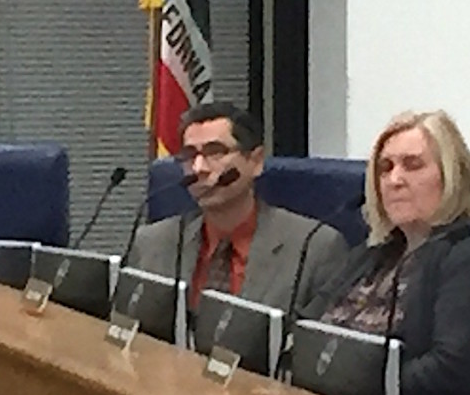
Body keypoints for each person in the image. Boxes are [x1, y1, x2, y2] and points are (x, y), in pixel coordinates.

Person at [300, 110, 470, 395]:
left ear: (452, 174)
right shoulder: (376, 252)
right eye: (385, 168)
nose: (394, 180)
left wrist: (348, 387)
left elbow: (451, 372)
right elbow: (308, 328)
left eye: (413, 165)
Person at [130, 101, 347, 311]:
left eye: (215, 152)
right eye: (189, 156)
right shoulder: (152, 244)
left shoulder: (314, 248)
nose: (199, 168)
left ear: (256, 161)